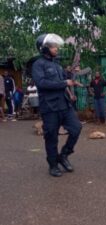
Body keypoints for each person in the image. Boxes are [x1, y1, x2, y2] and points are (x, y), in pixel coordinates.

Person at [32, 33, 82, 177]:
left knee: (76, 128)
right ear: (44, 48)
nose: (56, 48)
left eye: (56, 46)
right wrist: (64, 82)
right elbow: (41, 83)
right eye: (53, 46)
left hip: (64, 105)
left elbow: (64, 81)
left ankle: (64, 155)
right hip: (49, 107)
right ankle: (53, 165)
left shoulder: (57, 65)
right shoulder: (38, 64)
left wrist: (72, 78)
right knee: (51, 136)